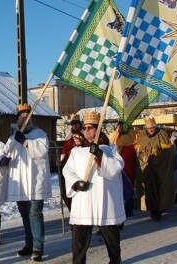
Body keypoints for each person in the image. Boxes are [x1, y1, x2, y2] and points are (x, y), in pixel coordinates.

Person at [63, 111, 125, 264]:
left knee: (110, 235)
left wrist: (99, 154)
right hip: (83, 200)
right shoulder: (76, 151)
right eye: (86, 127)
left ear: (98, 129)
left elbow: (115, 168)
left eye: (91, 127)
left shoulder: (110, 149)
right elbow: (67, 170)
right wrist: (75, 182)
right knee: (79, 239)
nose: (87, 130)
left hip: (103, 199)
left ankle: (115, 259)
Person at [0, 103, 52, 262]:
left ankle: (38, 247)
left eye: (27, 116)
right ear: (17, 121)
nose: (25, 119)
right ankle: (29, 244)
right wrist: (3, 161)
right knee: (25, 215)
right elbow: (3, 155)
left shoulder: (40, 134)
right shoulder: (11, 139)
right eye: (22, 116)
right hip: (20, 184)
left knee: (35, 214)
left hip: (35, 182)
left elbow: (41, 151)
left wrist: (26, 142)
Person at [134, 116, 175, 221]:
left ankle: (159, 210)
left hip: (159, 169)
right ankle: (152, 209)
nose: (150, 129)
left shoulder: (162, 135)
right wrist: (144, 159)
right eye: (148, 128)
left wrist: (157, 158)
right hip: (146, 168)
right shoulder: (142, 137)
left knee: (159, 189)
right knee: (148, 190)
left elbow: (167, 153)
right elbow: (138, 153)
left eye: (152, 127)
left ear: (155, 126)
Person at [109, 120, 137, 217]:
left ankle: (128, 208)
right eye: (119, 126)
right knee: (119, 189)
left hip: (128, 167)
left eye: (122, 126)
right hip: (117, 168)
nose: (120, 127)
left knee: (128, 187)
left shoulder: (131, 138)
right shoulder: (114, 136)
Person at [57, 114, 83, 212]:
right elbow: (64, 150)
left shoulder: (83, 134)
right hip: (67, 165)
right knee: (65, 192)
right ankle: (73, 211)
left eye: (76, 123)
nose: (74, 126)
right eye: (72, 124)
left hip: (79, 166)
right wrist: (60, 160)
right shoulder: (68, 136)